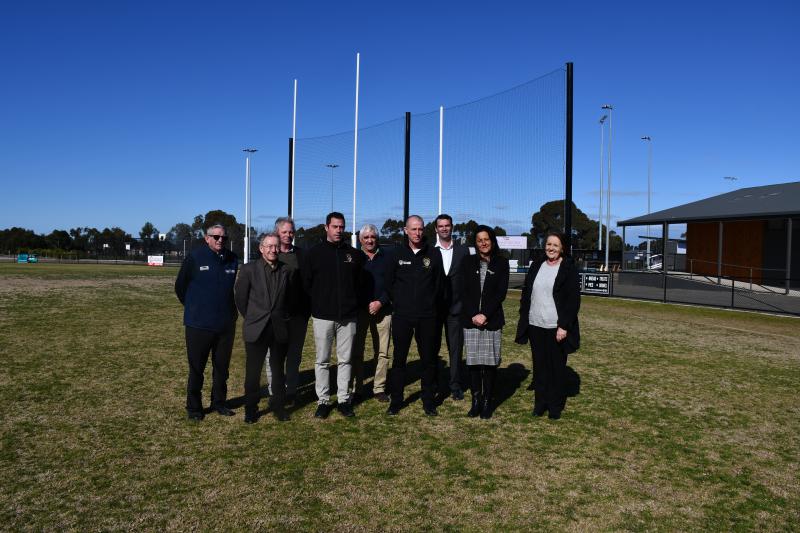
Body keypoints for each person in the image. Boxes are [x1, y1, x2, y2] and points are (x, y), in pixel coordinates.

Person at [303, 212, 364, 419]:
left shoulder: (353, 255)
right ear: (326, 227)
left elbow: (359, 284)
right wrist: (319, 303)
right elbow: (307, 284)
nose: (339, 230)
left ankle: (344, 399)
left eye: (341, 227)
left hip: (348, 317)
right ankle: (323, 400)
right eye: (335, 227)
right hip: (323, 316)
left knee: (345, 360)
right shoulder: (314, 253)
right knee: (322, 360)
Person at [174, 224, 238, 421]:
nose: (220, 241)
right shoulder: (195, 258)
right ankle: (194, 408)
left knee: (221, 369)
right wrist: (196, 307)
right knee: (197, 369)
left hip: (225, 325)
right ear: (207, 238)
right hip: (198, 325)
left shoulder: (233, 260)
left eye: (224, 238)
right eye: (216, 237)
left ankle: (219, 402)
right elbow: (180, 288)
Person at [515, 230, 581, 420]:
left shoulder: (568, 268)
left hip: (556, 327)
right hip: (536, 324)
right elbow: (527, 293)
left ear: (562, 248)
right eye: (548, 244)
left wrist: (564, 326)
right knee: (540, 368)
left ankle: (555, 406)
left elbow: (572, 301)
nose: (551, 248)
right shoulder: (537, 265)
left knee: (556, 369)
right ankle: (540, 404)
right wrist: (524, 317)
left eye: (555, 245)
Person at [385, 215, 445, 416]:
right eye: (413, 229)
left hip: (427, 316)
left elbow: (439, 284)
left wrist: (430, 305)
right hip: (402, 316)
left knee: (428, 360)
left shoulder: (434, 254)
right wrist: (399, 302)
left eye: (420, 229)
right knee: (399, 359)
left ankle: (428, 401)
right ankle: (396, 400)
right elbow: (389, 283)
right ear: (405, 230)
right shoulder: (396, 253)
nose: (417, 233)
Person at [234, 233, 291, 424]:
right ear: (261, 248)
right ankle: (251, 409)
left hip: (278, 329)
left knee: (277, 371)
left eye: (276, 246)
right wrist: (252, 318)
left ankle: (278, 407)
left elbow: (289, 300)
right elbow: (240, 299)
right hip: (256, 328)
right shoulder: (249, 269)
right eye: (269, 246)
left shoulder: (285, 270)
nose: (273, 250)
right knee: (253, 372)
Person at [460, 225, 509, 419]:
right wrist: (474, 314)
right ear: (476, 243)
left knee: (488, 363)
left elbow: (500, 293)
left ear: (492, 240)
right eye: (479, 240)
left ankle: (488, 402)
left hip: (492, 320)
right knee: (473, 363)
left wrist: (485, 314)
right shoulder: (467, 262)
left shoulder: (501, 263)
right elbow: (462, 291)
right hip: (471, 320)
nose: (483, 243)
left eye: (486, 239)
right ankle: (476, 401)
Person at [264, 217, 309, 407]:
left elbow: (308, 284)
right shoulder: (269, 255)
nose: (288, 235)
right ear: (277, 233)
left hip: (297, 315)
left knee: (294, 355)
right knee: (273, 356)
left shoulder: (302, 255)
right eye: (284, 232)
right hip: (275, 317)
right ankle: (275, 392)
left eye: (291, 232)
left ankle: (291, 391)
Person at [351, 224, 393, 402]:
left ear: (377, 238)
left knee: (382, 352)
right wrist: (365, 304)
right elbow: (351, 286)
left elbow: (393, 284)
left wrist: (380, 302)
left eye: (373, 237)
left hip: (383, 310)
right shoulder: (354, 258)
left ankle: (379, 387)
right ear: (360, 240)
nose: (370, 240)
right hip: (360, 311)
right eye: (366, 237)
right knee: (356, 351)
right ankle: (356, 388)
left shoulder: (388, 258)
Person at [433, 214, 470, 401]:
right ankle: (433, 384)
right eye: (441, 226)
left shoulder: (463, 251)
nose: (444, 228)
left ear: (452, 227)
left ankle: (455, 385)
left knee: (455, 349)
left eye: (447, 225)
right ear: (436, 229)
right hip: (434, 310)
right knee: (432, 348)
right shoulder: (429, 251)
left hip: (456, 309)